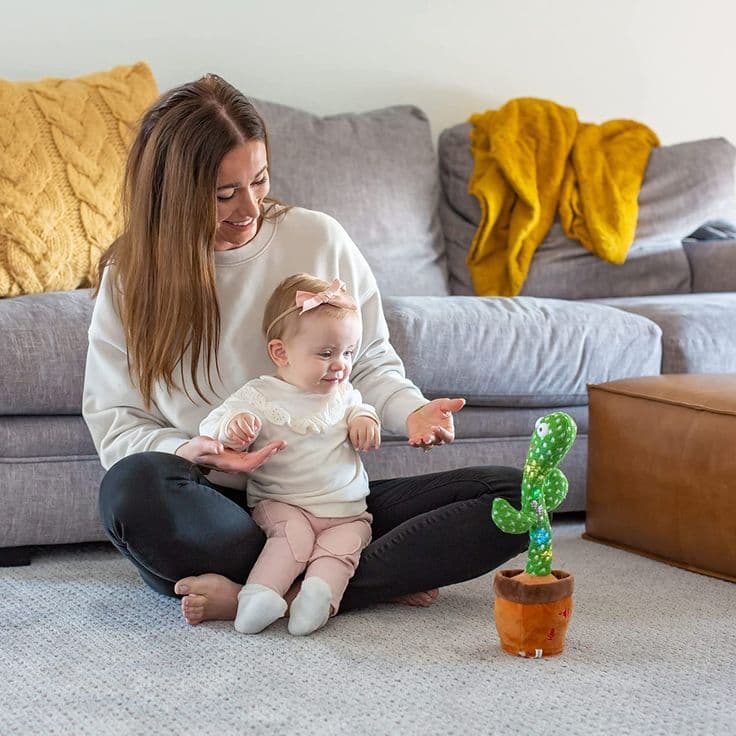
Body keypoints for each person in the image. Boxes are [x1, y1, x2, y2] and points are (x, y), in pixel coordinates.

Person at [83, 73, 526, 627]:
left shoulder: (317, 238)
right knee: (130, 491)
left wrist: (413, 410)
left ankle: (263, 594)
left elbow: (367, 360)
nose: (249, 207)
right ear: (173, 194)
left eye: (259, 181)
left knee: (519, 497)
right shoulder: (132, 275)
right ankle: (334, 580)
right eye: (224, 194)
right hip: (216, 510)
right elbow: (117, 422)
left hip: (328, 500)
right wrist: (195, 451)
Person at [200, 273, 380, 635]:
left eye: (347, 352)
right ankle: (260, 595)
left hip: (347, 512)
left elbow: (362, 408)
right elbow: (212, 424)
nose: (340, 364)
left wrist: (365, 420)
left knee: (340, 552)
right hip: (284, 505)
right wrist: (234, 425)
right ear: (280, 352)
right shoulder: (260, 395)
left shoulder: (344, 394)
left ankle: (317, 599)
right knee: (291, 541)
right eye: (326, 354)